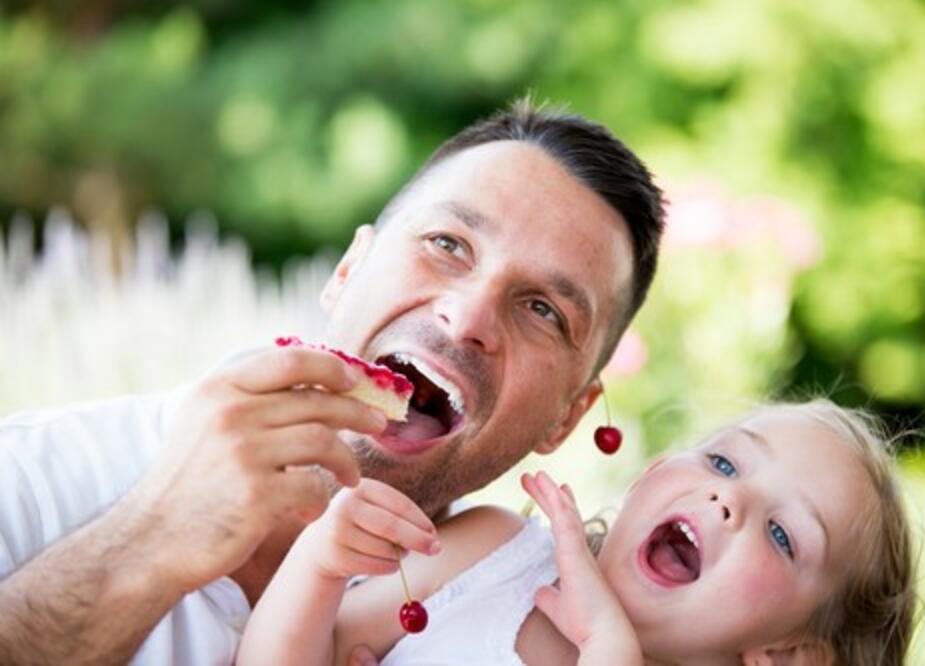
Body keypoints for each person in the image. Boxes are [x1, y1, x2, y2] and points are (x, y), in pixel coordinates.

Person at [0, 99, 665, 665]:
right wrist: (154, 536)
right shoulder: (29, 479)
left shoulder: (511, 627)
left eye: (543, 310)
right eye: (447, 244)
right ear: (348, 269)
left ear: (567, 420)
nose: (467, 319)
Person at [236, 400, 918, 666]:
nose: (729, 499)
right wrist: (319, 566)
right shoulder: (495, 555)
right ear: (654, 472)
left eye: (782, 535)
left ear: (787, 654)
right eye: (722, 461)